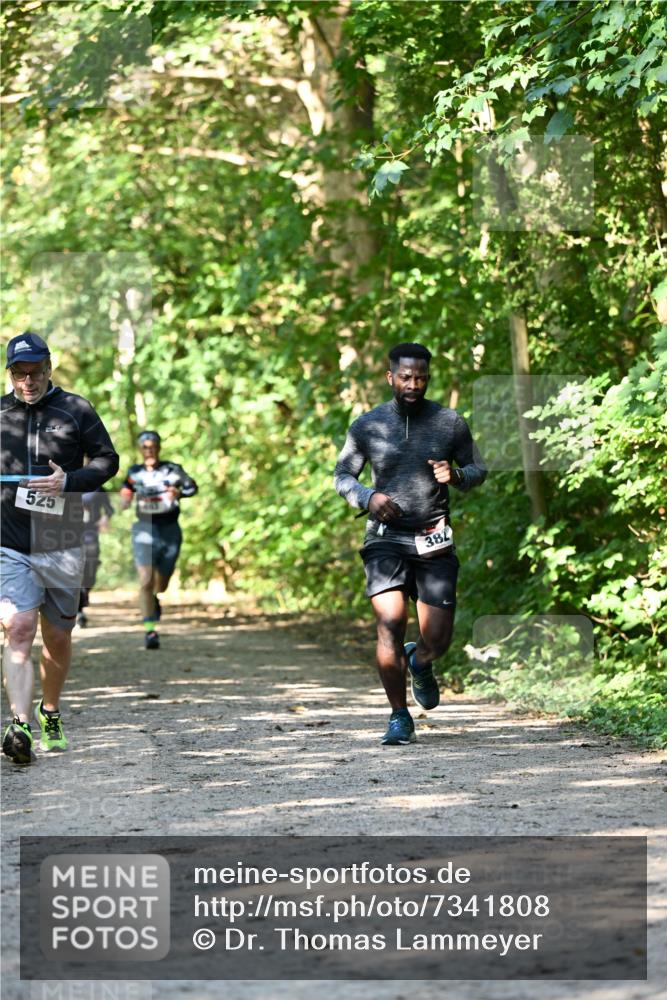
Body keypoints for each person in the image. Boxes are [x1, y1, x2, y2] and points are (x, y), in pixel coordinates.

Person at [334, 342, 487, 746]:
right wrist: (369, 498)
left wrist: (455, 476)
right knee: (389, 624)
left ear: (427, 378)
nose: (413, 384)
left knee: (437, 640)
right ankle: (399, 716)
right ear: (391, 377)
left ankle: (419, 661)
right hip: (385, 540)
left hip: (434, 540)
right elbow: (342, 476)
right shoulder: (367, 425)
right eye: (405, 377)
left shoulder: (449, 422)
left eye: (420, 377)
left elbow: (478, 468)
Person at [1, 332, 119, 764]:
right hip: (9, 540)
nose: (27, 380)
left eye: (35, 372)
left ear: (49, 368)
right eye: (19, 373)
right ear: (10, 373)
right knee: (18, 628)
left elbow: (108, 460)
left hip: (61, 541)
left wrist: (70, 481)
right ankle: (18, 724)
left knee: (57, 635)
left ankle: (49, 711)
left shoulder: (76, 409)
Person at [120, 431, 197, 650]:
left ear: (159, 448)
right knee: (145, 580)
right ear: (140, 450)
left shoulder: (172, 470)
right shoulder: (135, 472)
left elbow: (192, 487)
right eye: (145, 447)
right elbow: (127, 488)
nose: (149, 450)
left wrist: (179, 493)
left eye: (152, 446)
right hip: (144, 528)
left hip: (170, 529)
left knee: (161, 584)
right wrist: (125, 500)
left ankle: (156, 598)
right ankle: (150, 630)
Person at [77, 486, 113, 627]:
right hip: (68, 532)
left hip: (91, 533)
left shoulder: (97, 487)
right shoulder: (65, 479)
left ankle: (85, 591)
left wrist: (105, 518)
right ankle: (79, 610)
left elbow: (109, 509)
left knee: (90, 567)